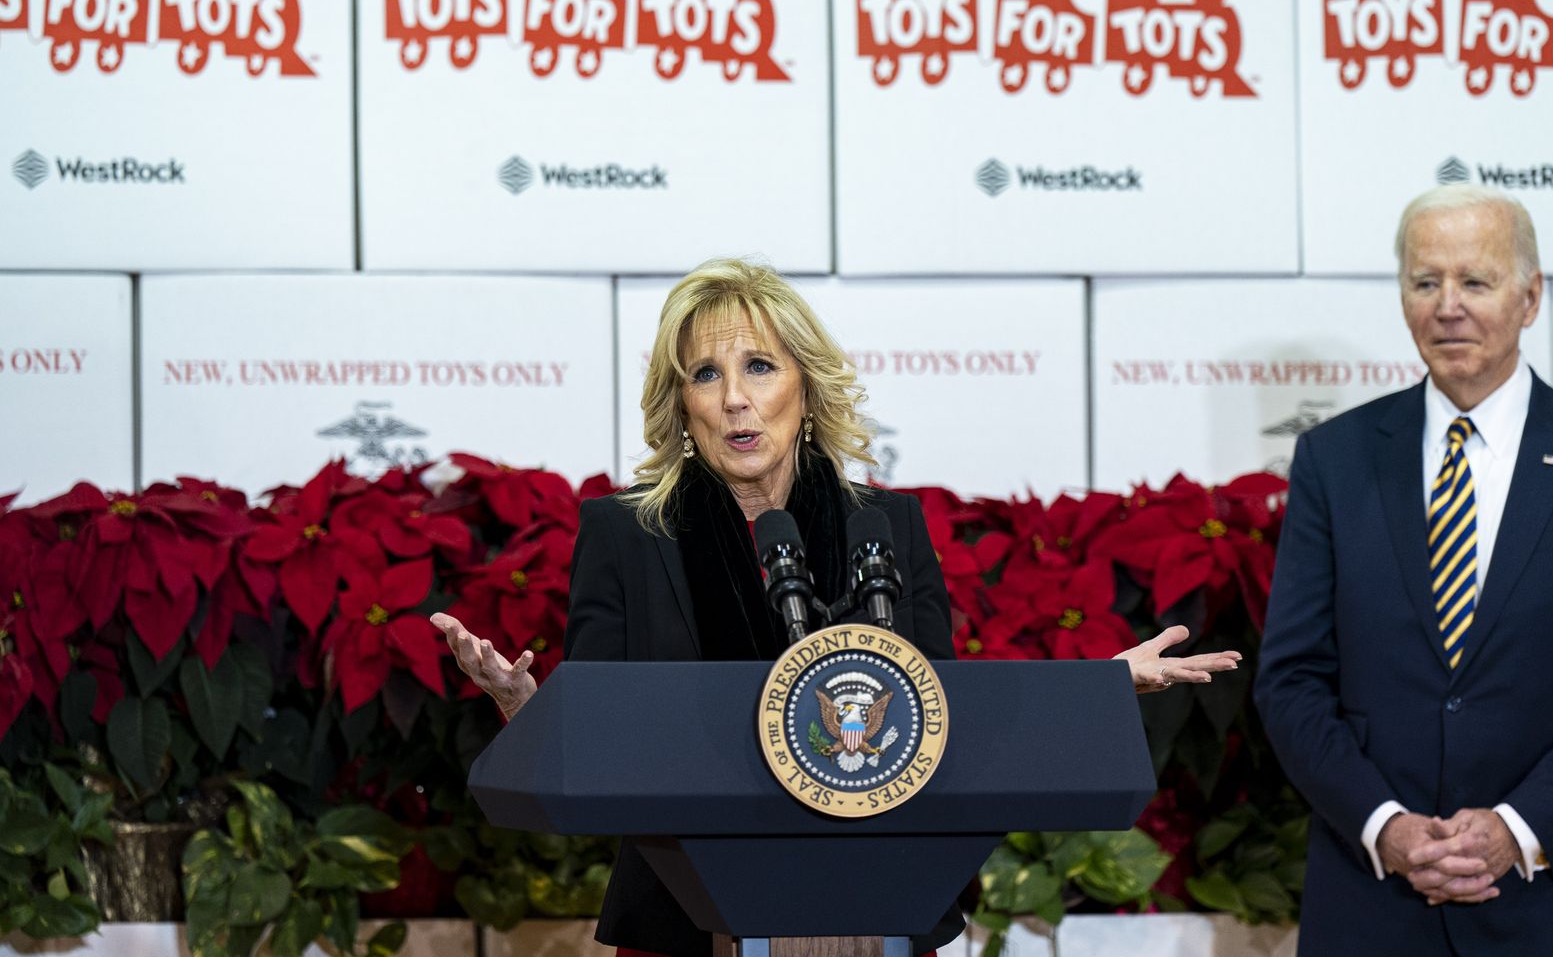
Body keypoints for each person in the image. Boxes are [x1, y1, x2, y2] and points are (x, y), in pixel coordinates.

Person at [432, 257, 1239, 957]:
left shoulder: (887, 528)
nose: (736, 400)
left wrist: (1096, 690)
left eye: (760, 367)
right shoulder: (626, 534)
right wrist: (523, 705)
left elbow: (939, 719)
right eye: (706, 375)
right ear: (682, 406)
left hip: (881, 910)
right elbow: (600, 732)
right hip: (684, 922)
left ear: (806, 387)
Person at [1253, 185, 1553, 954]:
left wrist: (1516, 829)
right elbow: (1290, 680)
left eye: (1475, 282)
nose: (1448, 306)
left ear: (1530, 297)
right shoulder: (1334, 460)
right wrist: (1384, 826)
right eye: (1426, 282)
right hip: (1374, 906)